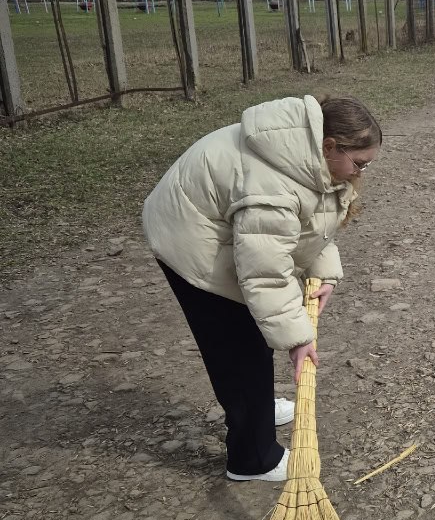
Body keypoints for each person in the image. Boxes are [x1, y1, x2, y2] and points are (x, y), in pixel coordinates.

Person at [142, 94, 382, 482]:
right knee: (238, 346)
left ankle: (258, 408)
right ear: (329, 145)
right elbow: (264, 272)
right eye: (359, 163)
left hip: (220, 223)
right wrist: (297, 337)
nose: (361, 173)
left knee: (251, 336)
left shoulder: (303, 155)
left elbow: (309, 226)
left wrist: (326, 274)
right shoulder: (271, 183)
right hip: (190, 239)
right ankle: (252, 459)